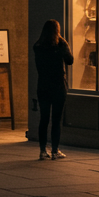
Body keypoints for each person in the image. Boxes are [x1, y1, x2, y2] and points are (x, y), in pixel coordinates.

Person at [33, 19, 73, 160]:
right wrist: (64, 43)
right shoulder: (60, 45)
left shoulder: (37, 46)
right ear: (57, 31)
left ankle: (42, 150)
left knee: (44, 118)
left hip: (43, 85)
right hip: (58, 85)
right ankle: (55, 150)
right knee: (56, 119)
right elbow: (70, 60)